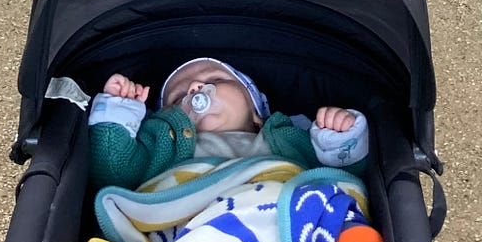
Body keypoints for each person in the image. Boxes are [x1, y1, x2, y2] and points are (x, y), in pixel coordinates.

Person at [87, 55, 368, 189]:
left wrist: (339, 134)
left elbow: (347, 172)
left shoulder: (288, 140)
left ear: (257, 112)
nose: (196, 88)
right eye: (177, 99)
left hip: (283, 221)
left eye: (216, 81)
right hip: (185, 231)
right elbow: (114, 170)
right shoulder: (160, 148)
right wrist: (119, 108)